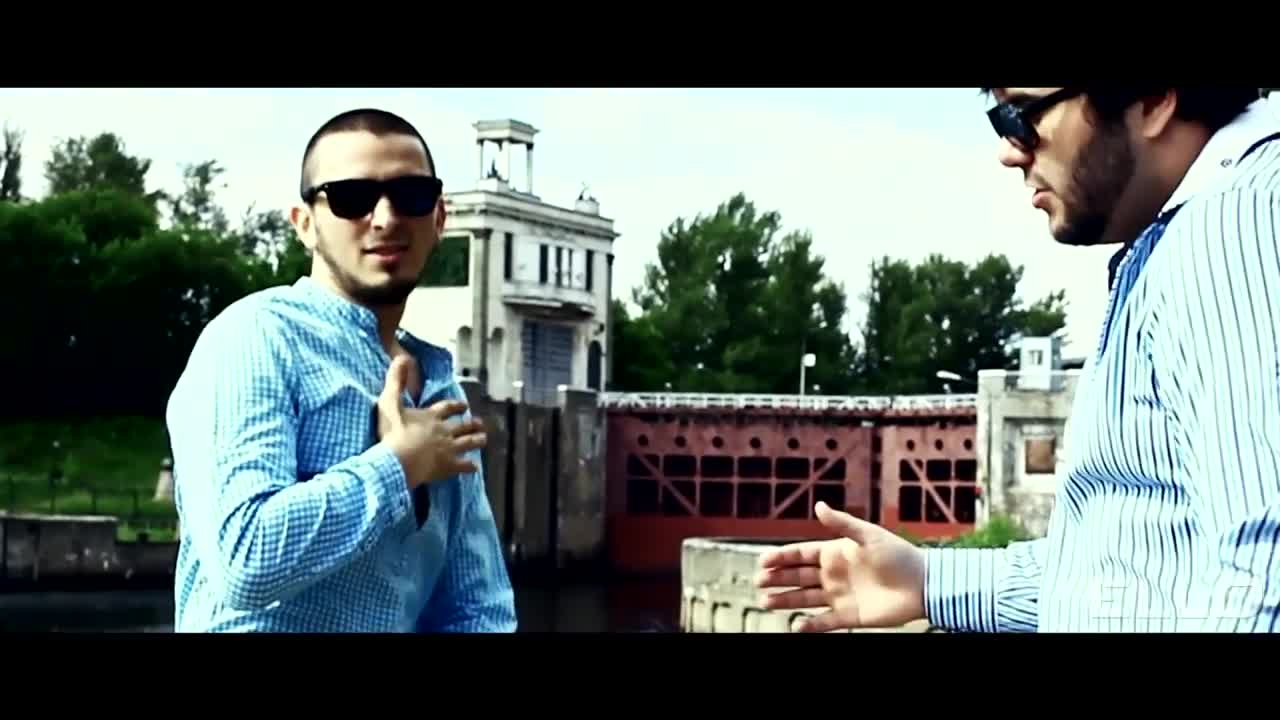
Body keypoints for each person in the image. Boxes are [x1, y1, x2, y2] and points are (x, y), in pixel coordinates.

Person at [758, 88, 1280, 633]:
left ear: (1152, 99)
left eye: (1022, 114)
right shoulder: (1192, 235)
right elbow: (1137, 575)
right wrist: (928, 580)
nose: (1010, 150)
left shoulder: (1233, 232)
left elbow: (1264, 568)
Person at [166, 108, 517, 632]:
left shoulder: (442, 388)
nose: (386, 218)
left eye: (411, 195)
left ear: (439, 217)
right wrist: (399, 465)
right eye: (352, 197)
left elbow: (478, 606)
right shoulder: (255, 339)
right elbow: (245, 559)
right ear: (304, 224)